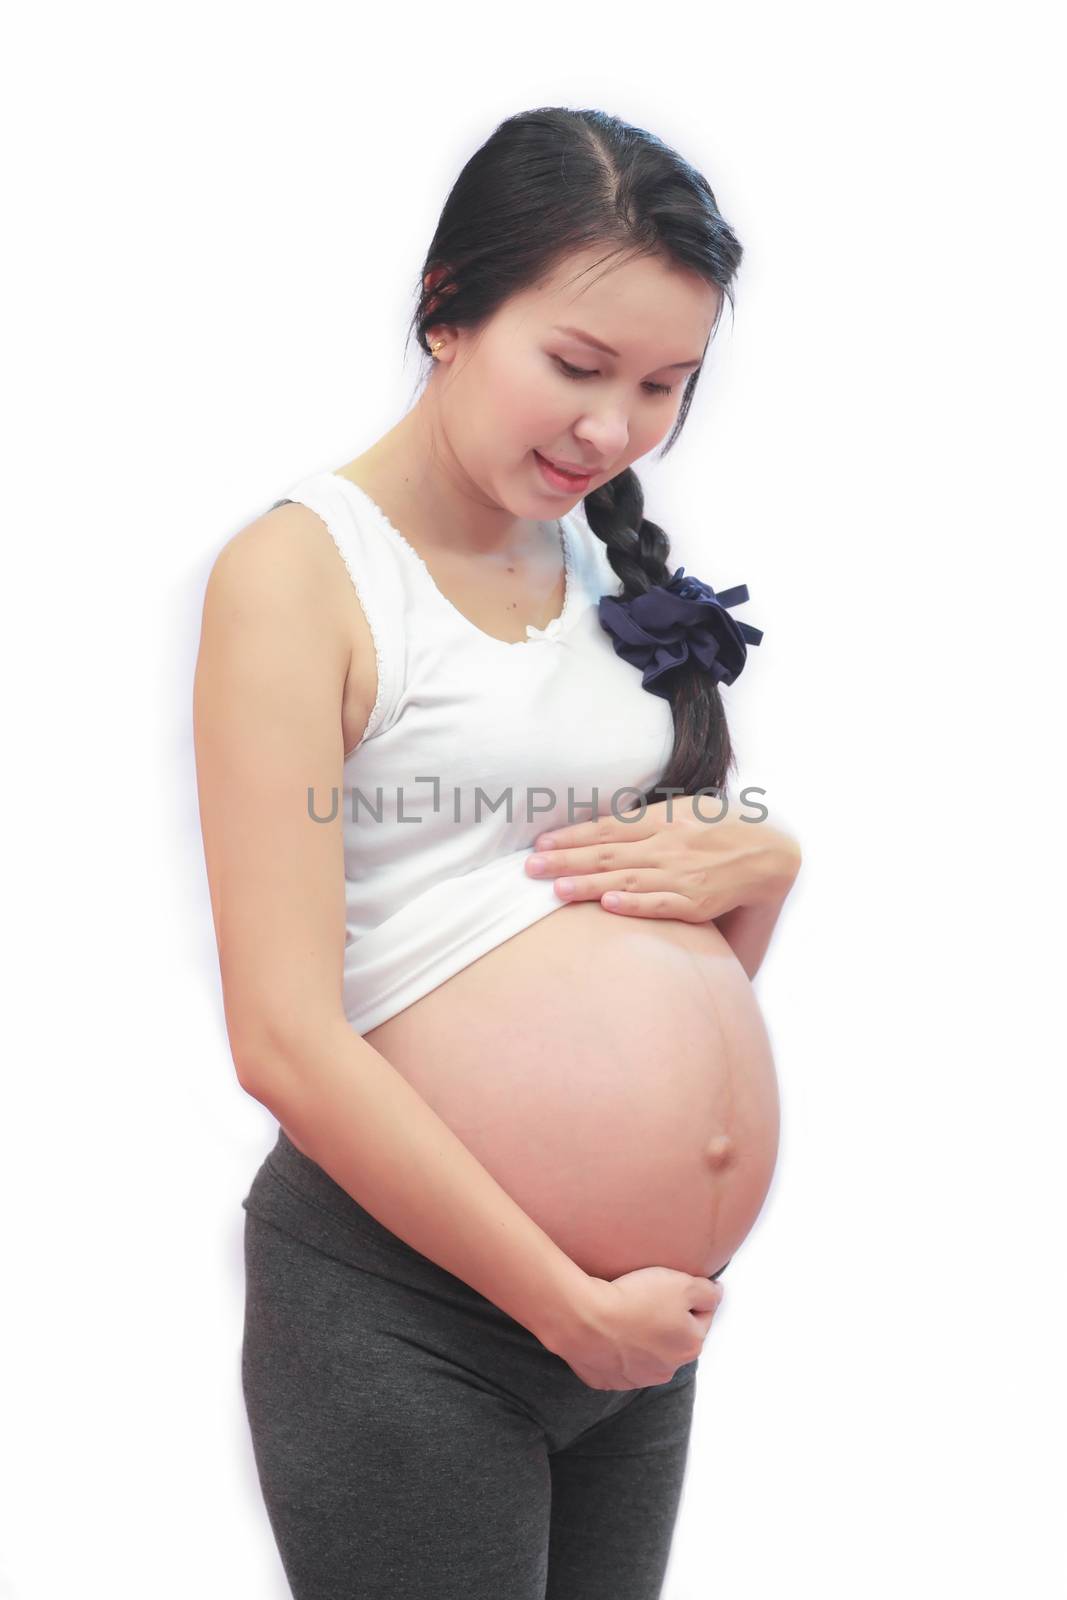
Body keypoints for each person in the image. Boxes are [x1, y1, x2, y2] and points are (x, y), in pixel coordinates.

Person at [194, 105, 798, 1599]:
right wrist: (566, 1309)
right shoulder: (301, 577)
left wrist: (763, 867)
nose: (615, 430)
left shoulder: (597, 556)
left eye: (666, 384)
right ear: (446, 308)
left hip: (639, 1325)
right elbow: (280, 1038)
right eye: (578, 368)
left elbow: (642, 925)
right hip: (417, 1311)